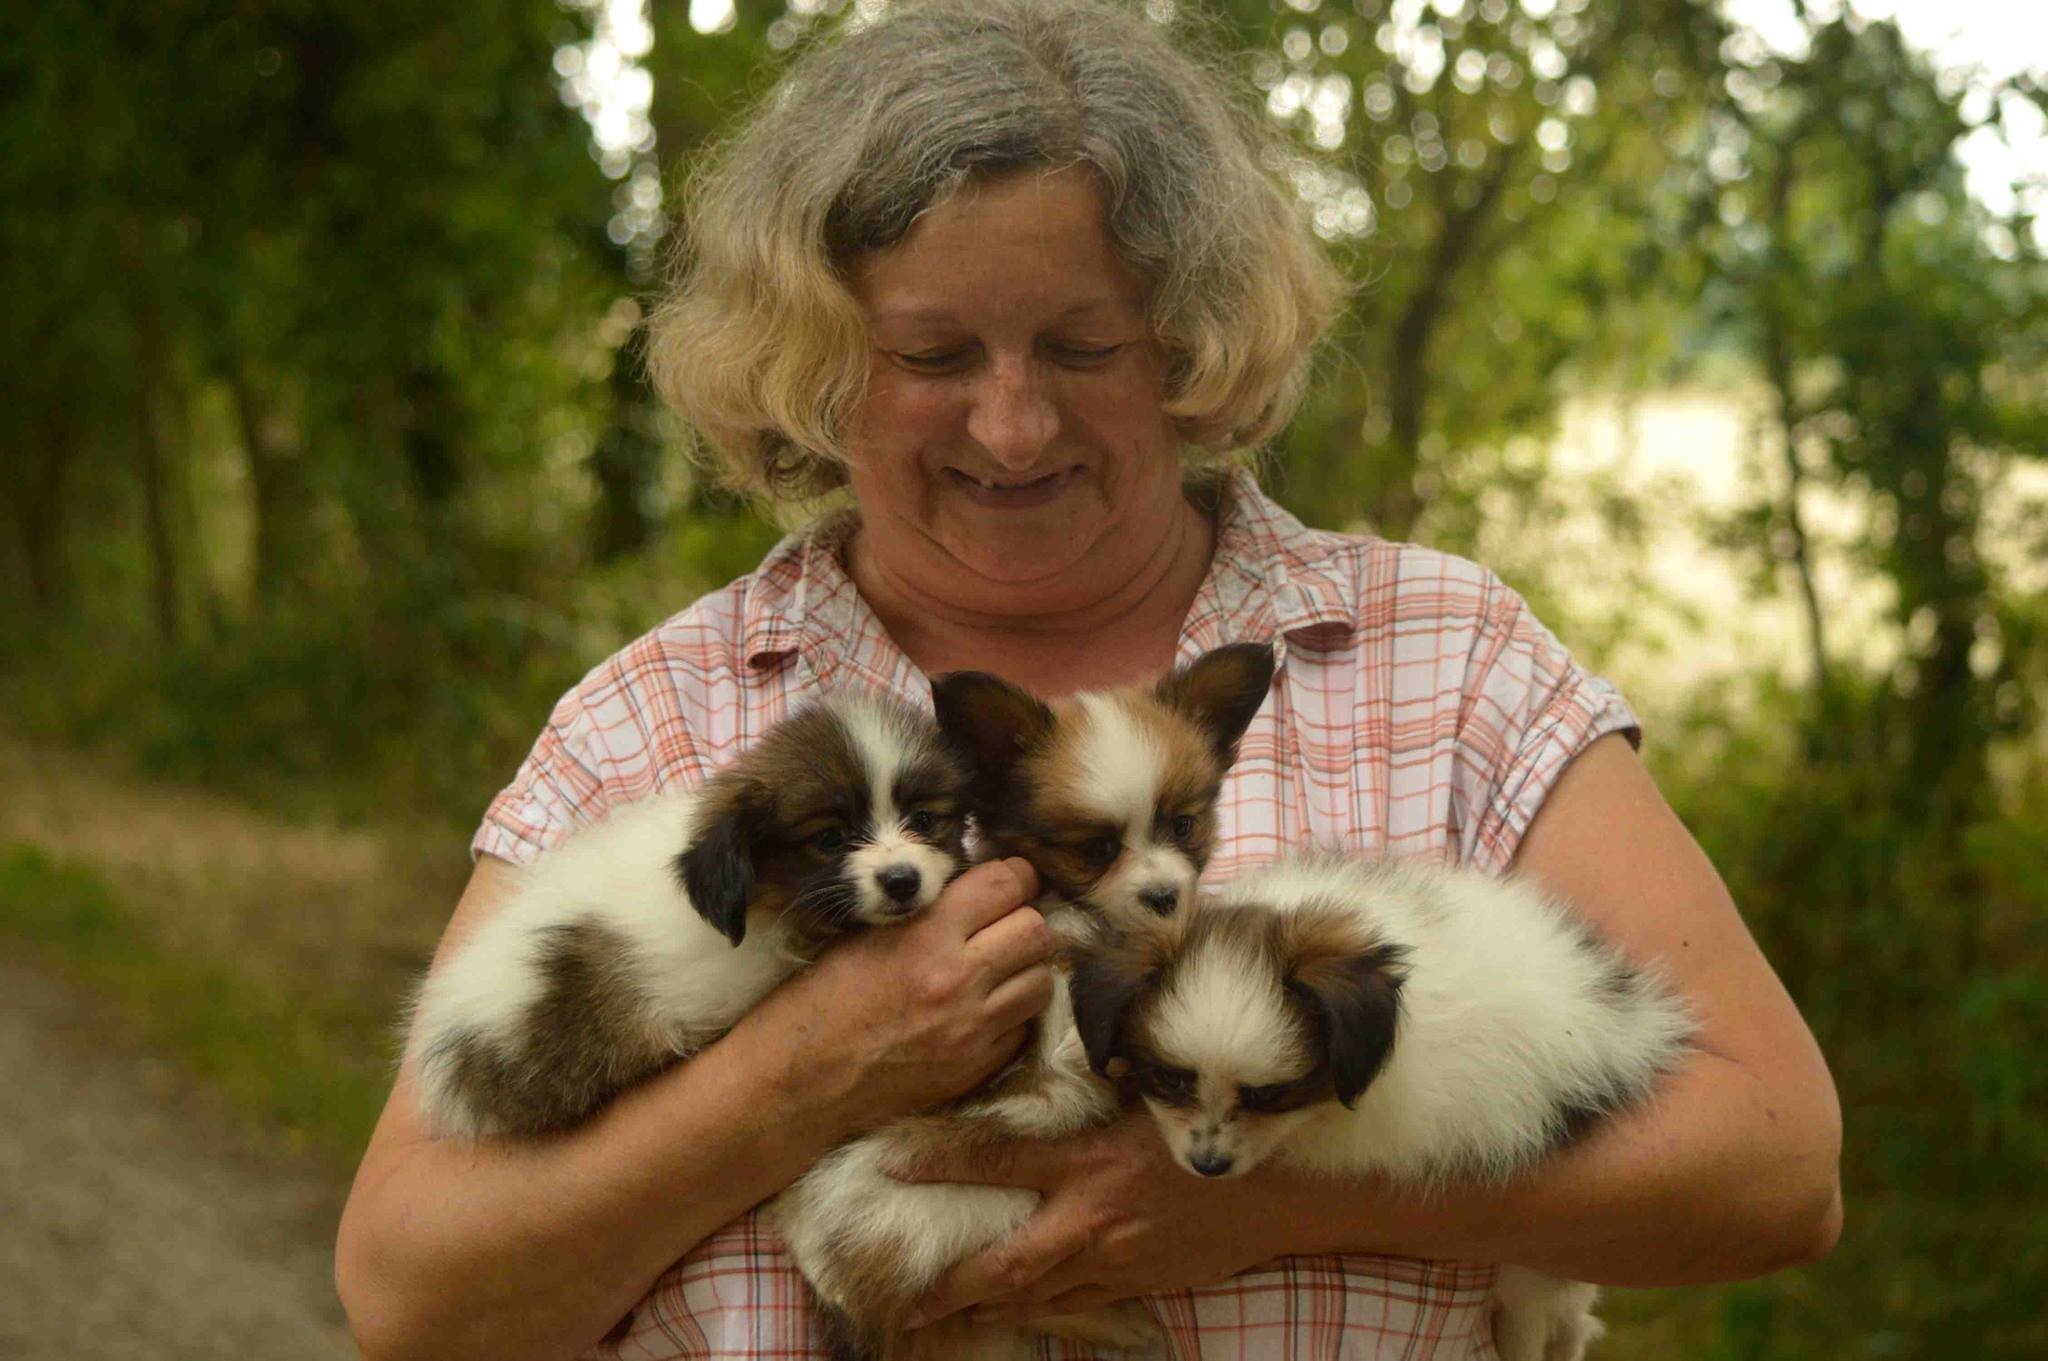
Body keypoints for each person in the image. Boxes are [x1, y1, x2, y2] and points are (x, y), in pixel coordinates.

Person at [333, 2, 1842, 1357]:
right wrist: (798, 1074)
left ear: (1184, 343)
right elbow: (412, 1298)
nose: (1009, 425)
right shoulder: (662, 716)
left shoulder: (1442, 658)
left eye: (1082, 341)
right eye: (932, 354)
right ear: (815, 362)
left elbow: (1774, 1163)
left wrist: (1265, 1203)